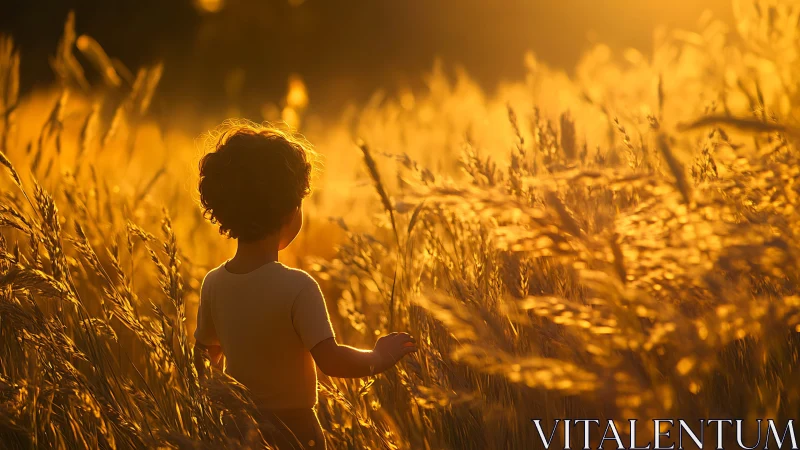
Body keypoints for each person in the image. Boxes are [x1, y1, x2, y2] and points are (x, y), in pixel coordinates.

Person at [192, 121, 417, 449]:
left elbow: (204, 357)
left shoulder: (213, 284)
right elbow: (332, 360)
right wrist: (379, 356)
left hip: (239, 431)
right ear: (290, 211)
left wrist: (223, 401)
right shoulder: (298, 286)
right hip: (295, 432)